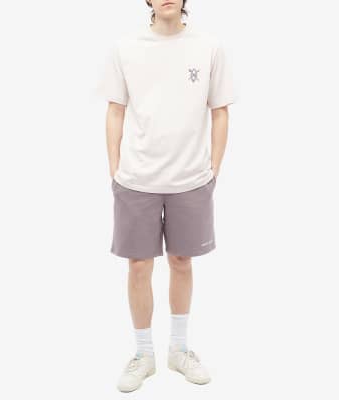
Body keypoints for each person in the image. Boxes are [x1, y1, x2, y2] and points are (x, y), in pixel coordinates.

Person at [95, 0, 236, 392]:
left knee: (181, 261)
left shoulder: (209, 47)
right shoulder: (126, 47)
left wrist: (214, 170)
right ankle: (144, 354)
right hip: (136, 178)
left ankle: (179, 349)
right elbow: (115, 109)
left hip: (191, 179)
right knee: (138, 265)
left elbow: (220, 110)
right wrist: (114, 168)